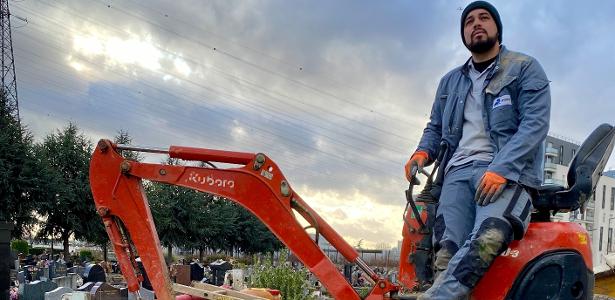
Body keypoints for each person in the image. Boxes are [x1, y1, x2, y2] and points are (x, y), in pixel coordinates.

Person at [404, 1, 550, 298]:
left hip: (505, 172)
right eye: (469, 21)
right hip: (455, 174)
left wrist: (501, 168)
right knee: (446, 251)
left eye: (484, 18)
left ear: (497, 28)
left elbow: (534, 125)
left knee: (489, 236)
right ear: (464, 34)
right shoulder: (450, 82)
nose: (476, 24)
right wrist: (421, 153)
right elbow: (435, 127)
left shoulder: (524, 68)